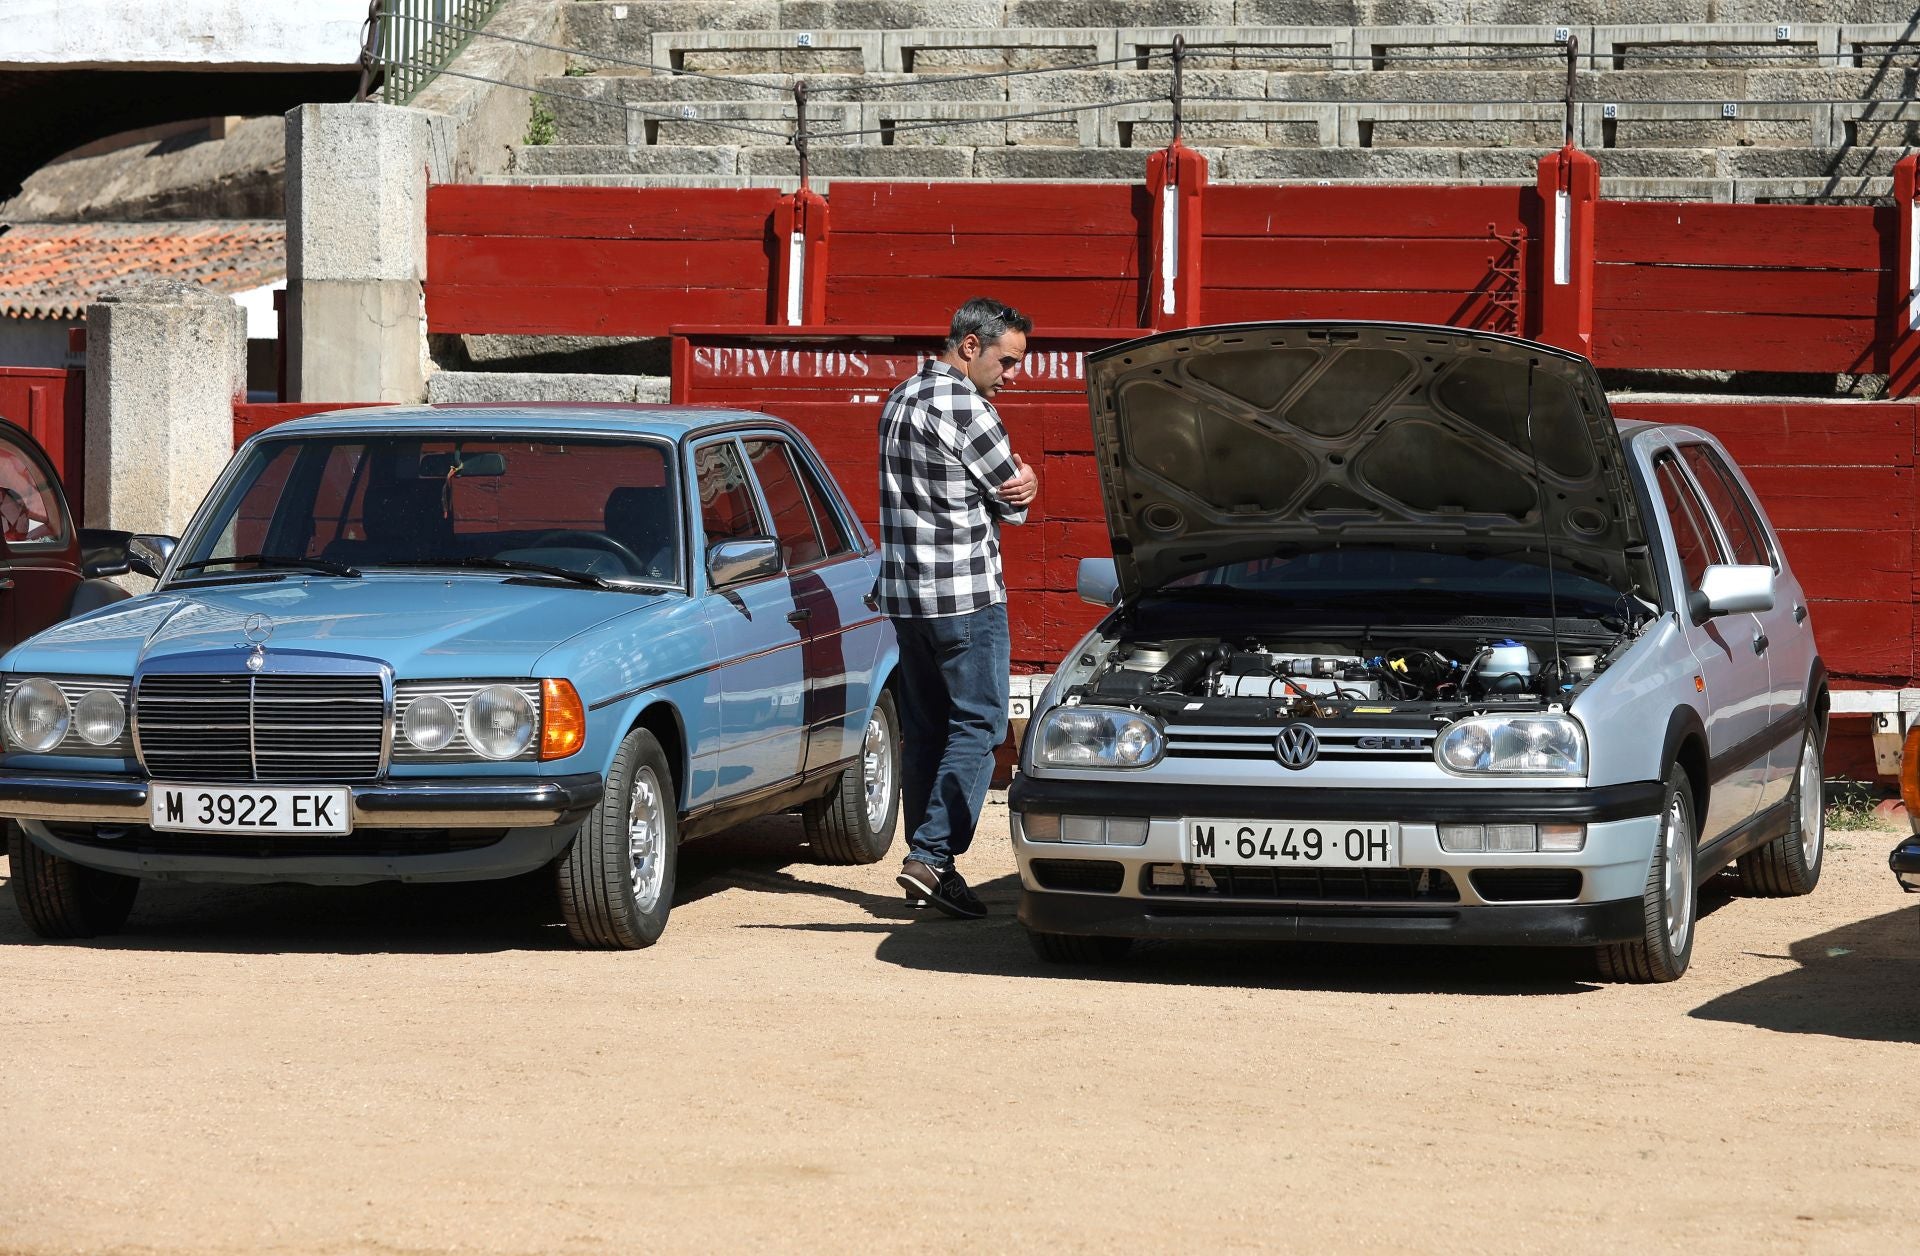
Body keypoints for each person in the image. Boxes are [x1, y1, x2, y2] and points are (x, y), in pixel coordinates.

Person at [876, 297, 1039, 919]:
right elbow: (1014, 500)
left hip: (908, 598)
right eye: (1009, 359)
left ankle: (931, 867)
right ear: (970, 345)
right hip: (966, 593)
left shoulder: (899, 398)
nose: (1014, 374)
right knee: (979, 724)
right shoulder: (969, 408)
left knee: (926, 729)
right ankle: (934, 853)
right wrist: (1025, 482)